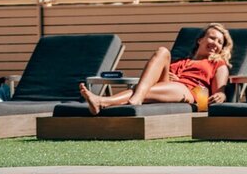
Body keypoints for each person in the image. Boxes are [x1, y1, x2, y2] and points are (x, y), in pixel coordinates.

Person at [79, 23, 233, 115]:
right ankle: (133, 98)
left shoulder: (218, 64)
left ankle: (104, 101)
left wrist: (221, 96)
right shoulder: (182, 61)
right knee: (163, 51)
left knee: (142, 89)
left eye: (220, 42)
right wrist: (170, 77)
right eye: (212, 38)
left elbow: (220, 91)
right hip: (170, 86)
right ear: (200, 40)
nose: (215, 43)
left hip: (192, 92)